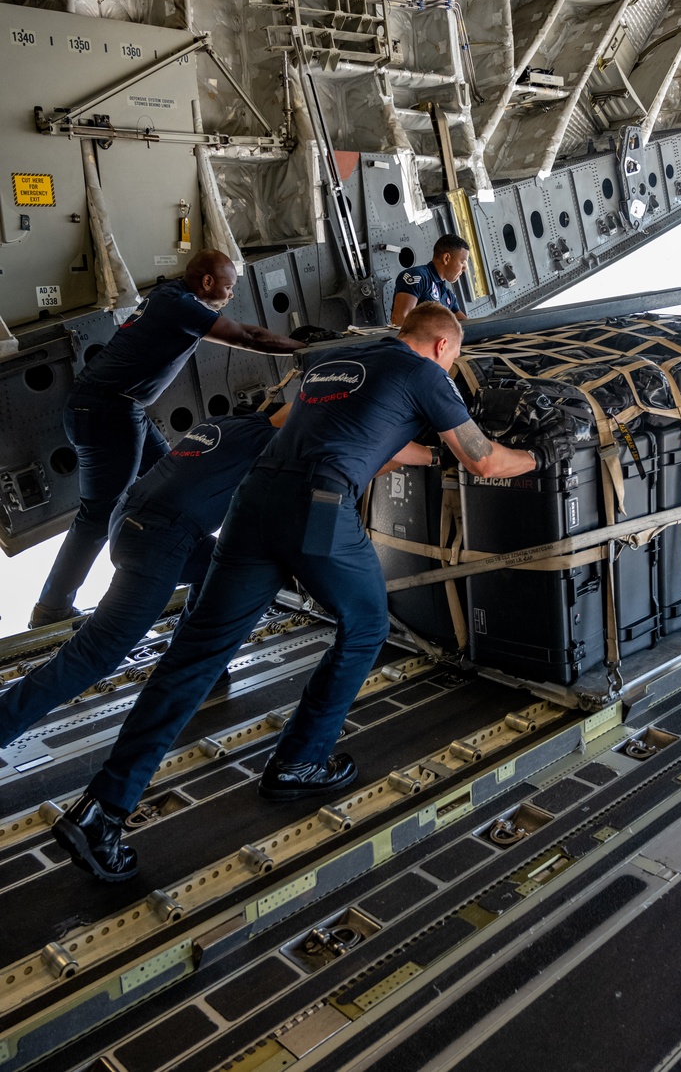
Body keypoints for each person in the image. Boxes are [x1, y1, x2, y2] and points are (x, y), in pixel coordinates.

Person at [49, 303, 575, 881]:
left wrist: (435, 460)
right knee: (368, 625)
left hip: (253, 506)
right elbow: (483, 461)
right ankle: (299, 761)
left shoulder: (343, 362)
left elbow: (386, 443)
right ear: (444, 347)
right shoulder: (426, 374)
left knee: (194, 657)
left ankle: (103, 809)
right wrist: (541, 454)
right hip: (316, 508)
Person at [30, 250, 301, 629]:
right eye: (228, 286)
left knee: (173, 481)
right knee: (98, 514)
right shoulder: (180, 305)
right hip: (107, 412)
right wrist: (308, 351)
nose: (231, 294)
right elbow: (247, 336)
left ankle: (191, 563)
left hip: (122, 409)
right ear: (207, 282)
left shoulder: (173, 296)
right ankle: (52, 608)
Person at [0, 405, 289, 746]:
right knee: (95, 655)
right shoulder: (273, 443)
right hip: (158, 540)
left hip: (130, 520)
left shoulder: (224, 423)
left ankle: (196, 665)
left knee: (225, 563)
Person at [390, 234, 470, 325]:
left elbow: (466, 328)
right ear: (446, 258)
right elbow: (400, 319)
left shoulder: (449, 297)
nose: (464, 269)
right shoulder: (418, 277)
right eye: (462, 263)